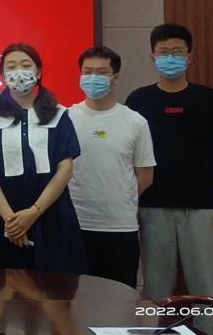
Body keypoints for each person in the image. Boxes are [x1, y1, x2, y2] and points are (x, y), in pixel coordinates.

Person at [126, 24, 213, 307]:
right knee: (155, 290)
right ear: (152, 56)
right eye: (163, 52)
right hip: (151, 208)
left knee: (205, 288)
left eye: (177, 52)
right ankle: (157, 329)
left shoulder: (208, 98)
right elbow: (129, 157)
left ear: (190, 57)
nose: (170, 58)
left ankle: (209, 328)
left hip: (201, 209)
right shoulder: (138, 100)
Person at [0, 43, 87, 273]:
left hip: (49, 212)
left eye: (26, 65)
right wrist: (11, 222)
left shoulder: (59, 114)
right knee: (0, 287)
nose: (19, 72)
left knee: (53, 287)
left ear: (38, 72)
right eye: (11, 66)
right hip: (1, 214)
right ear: (2, 74)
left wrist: (33, 213)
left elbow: (65, 168)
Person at [67, 46, 155, 288]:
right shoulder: (65, 118)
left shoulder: (135, 121)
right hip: (76, 224)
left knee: (120, 298)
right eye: (87, 71)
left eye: (101, 72)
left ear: (115, 78)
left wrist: (120, 196)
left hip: (120, 226)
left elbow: (146, 175)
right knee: (76, 298)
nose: (93, 77)